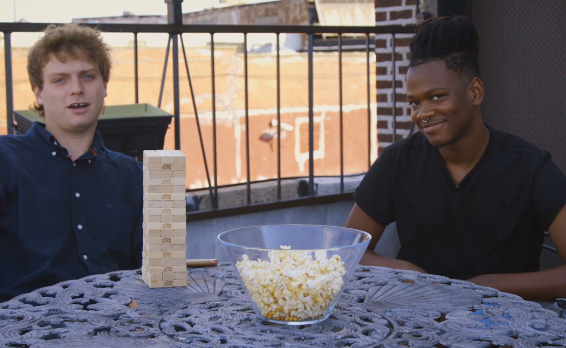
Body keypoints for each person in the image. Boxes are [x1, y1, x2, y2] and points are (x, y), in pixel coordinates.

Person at [346, 16, 566, 301]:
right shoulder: (397, 162)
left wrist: (485, 288)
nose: (422, 112)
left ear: (475, 92)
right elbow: (345, 253)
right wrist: (409, 273)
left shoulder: (531, 168)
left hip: (505, 331)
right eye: (415, 102)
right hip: (415, 324)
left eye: (436, 97)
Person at [0, 24, 143, 302]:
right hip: (24, 330)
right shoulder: (5, 159)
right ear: (39, 93)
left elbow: (150, 275)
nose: (76, 89)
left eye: (87, 76)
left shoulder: (133, 175)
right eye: (60, 80)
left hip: (114, 328)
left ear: (104, 87)